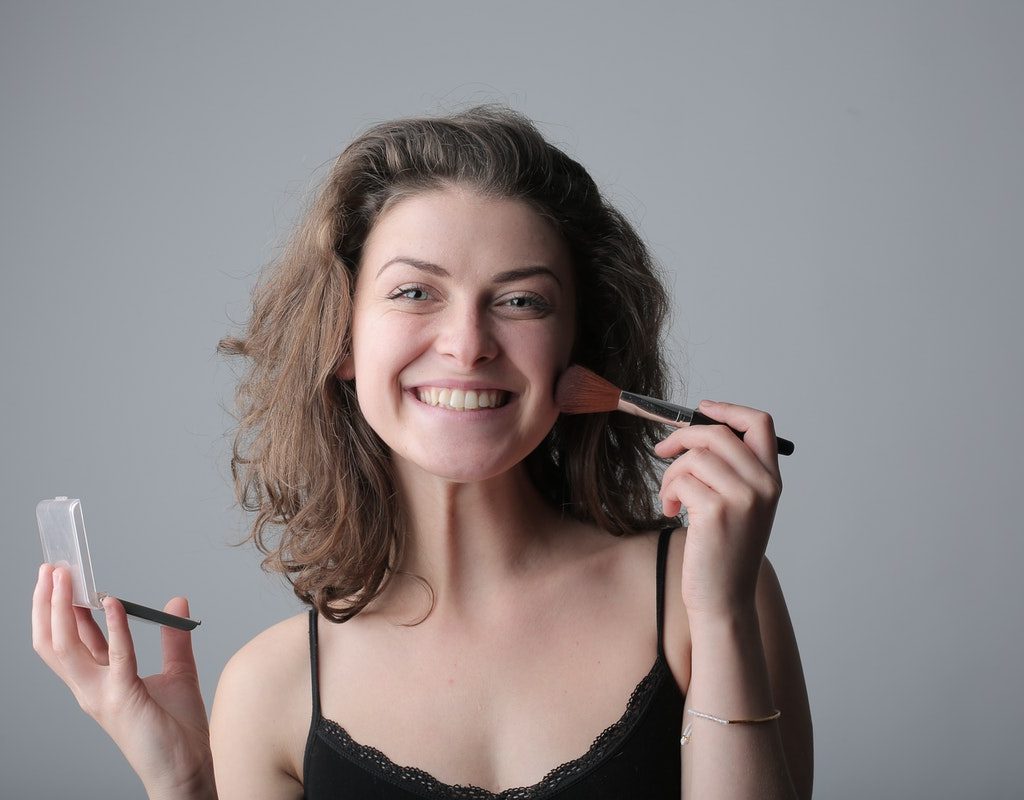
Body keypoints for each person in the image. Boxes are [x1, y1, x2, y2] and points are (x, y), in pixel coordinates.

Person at [32, 105, 813, 799]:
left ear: (577, 349)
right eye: (414, 292)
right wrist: (182, 784)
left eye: (521, 301)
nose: (468, 345)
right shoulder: (269, 690)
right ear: (341, 340)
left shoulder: (710, 587)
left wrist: (721, 615)